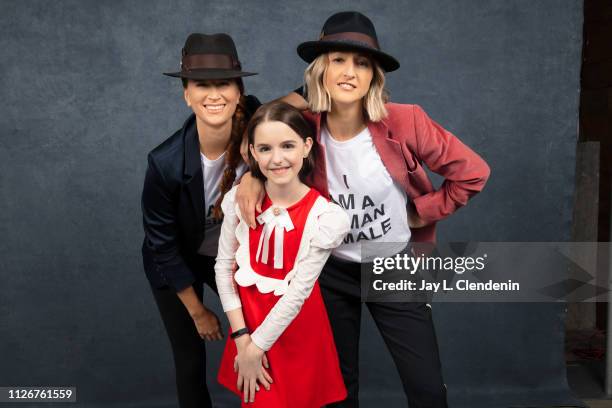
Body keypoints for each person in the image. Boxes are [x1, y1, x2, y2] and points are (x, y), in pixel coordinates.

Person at [237, 11, 491, 408]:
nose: (349, 72)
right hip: (328, 270)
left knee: (426, 388)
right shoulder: (303, 125)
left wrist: (424, 210)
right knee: (337, 389)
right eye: (337, 60)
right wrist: (252, 175)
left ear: (374, 75)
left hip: (392, 265)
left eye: (361, 63)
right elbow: (258, 134)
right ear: (319, 71)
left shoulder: (405, 121)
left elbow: (473, 173)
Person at [141, 33, 260, 408]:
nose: (214, 94)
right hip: (175, 262)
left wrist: (254, 174)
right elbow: (163, 247)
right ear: (186, 94)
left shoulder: (261, 126)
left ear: (239, 91)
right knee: (190, 359)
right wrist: (198, 312)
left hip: (231, 255)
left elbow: (307, 93)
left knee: (262, 340)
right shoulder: (165, 163)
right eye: (201, 85)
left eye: (223, 83)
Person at [215, 102, 349, 407]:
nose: (277, 159)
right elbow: (223, 267)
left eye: (287, 146)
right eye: (265, 148)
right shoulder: (239, 200)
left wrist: (255, 349)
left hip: (295, 329)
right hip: (247, 325)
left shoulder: (325, 217)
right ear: (251, 152)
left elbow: (299, 292)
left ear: (306, 147)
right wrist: (241, 338)